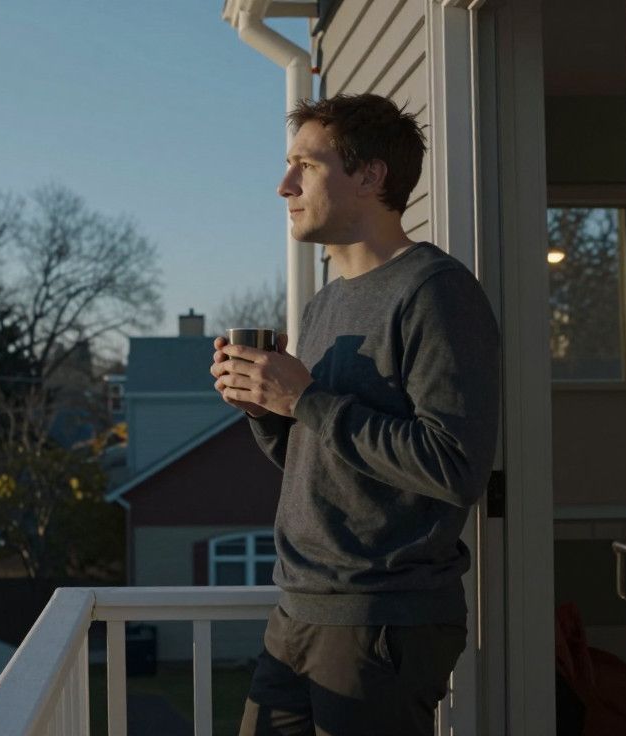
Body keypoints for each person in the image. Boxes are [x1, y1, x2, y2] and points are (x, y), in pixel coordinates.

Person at [211, 93, 501, 735]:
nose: (284, 184)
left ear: (370, 176)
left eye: (304, 167)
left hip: (381, 618)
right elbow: (316, 459)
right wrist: (266, 408)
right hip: (300, 610)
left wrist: (306, 400)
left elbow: (454, 466)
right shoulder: (322, 307)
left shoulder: (436, 292)